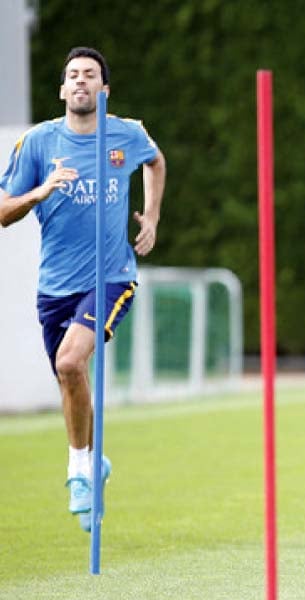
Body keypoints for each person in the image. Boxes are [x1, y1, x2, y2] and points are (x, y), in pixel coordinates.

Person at [0, 47, 166, 532]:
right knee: (70, 379)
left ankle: (76, 472)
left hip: (110, 276)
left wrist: (151, 215)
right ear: (61, 89)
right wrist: (40, 191)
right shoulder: (38, 143)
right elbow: (4, 211)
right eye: (72, 76)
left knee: (72, 362)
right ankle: (95, 461)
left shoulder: (126, 133)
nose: (80, 82)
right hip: (55, 286)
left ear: (103, 89)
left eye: (89, 76)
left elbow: (155, 162)